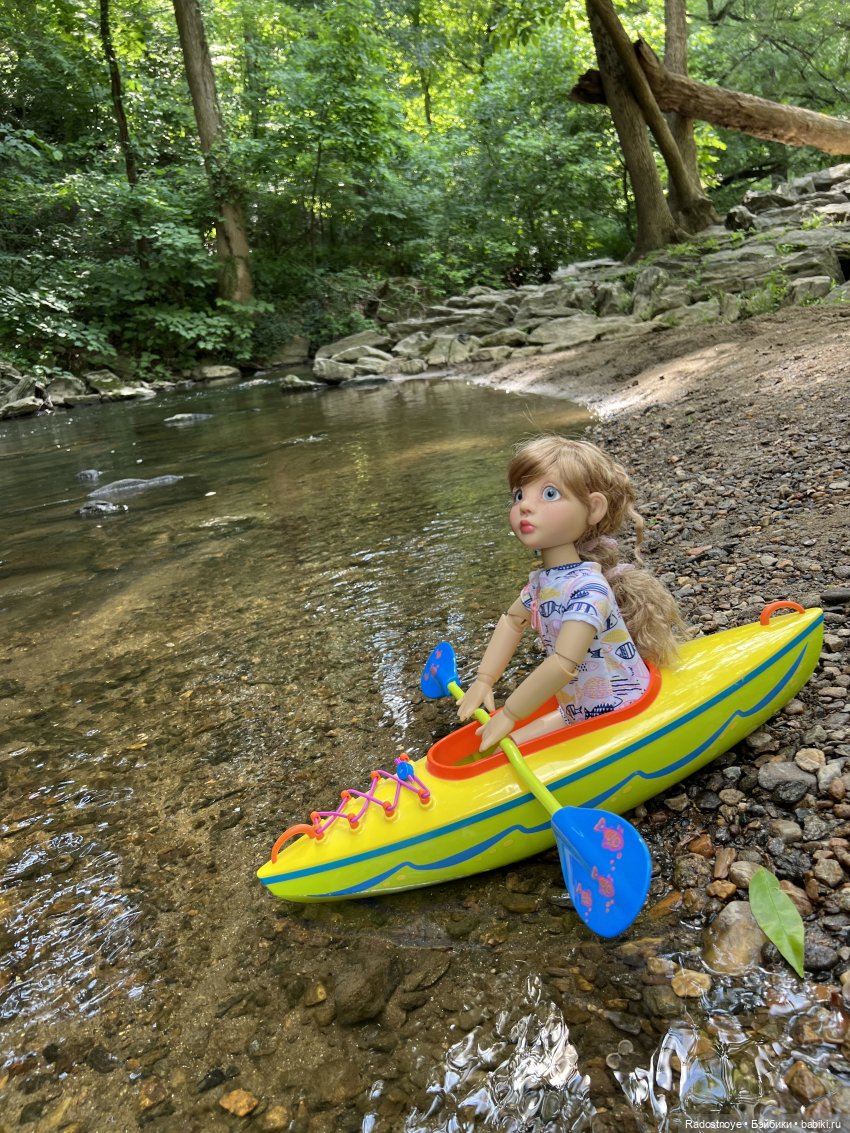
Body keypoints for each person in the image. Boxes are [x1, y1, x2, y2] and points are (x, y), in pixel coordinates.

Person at [457, 435, 684, 752]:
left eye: (549, 494)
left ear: (592, 508)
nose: (524, 505)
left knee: (505, 747)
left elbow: (565, 663)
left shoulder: (588, 589)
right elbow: (512, 622)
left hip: (619, 710)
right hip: (577, 709)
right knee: (495, 750)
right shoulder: (542, 583)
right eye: (518, 495)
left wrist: (510, 713)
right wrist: (484, 679)